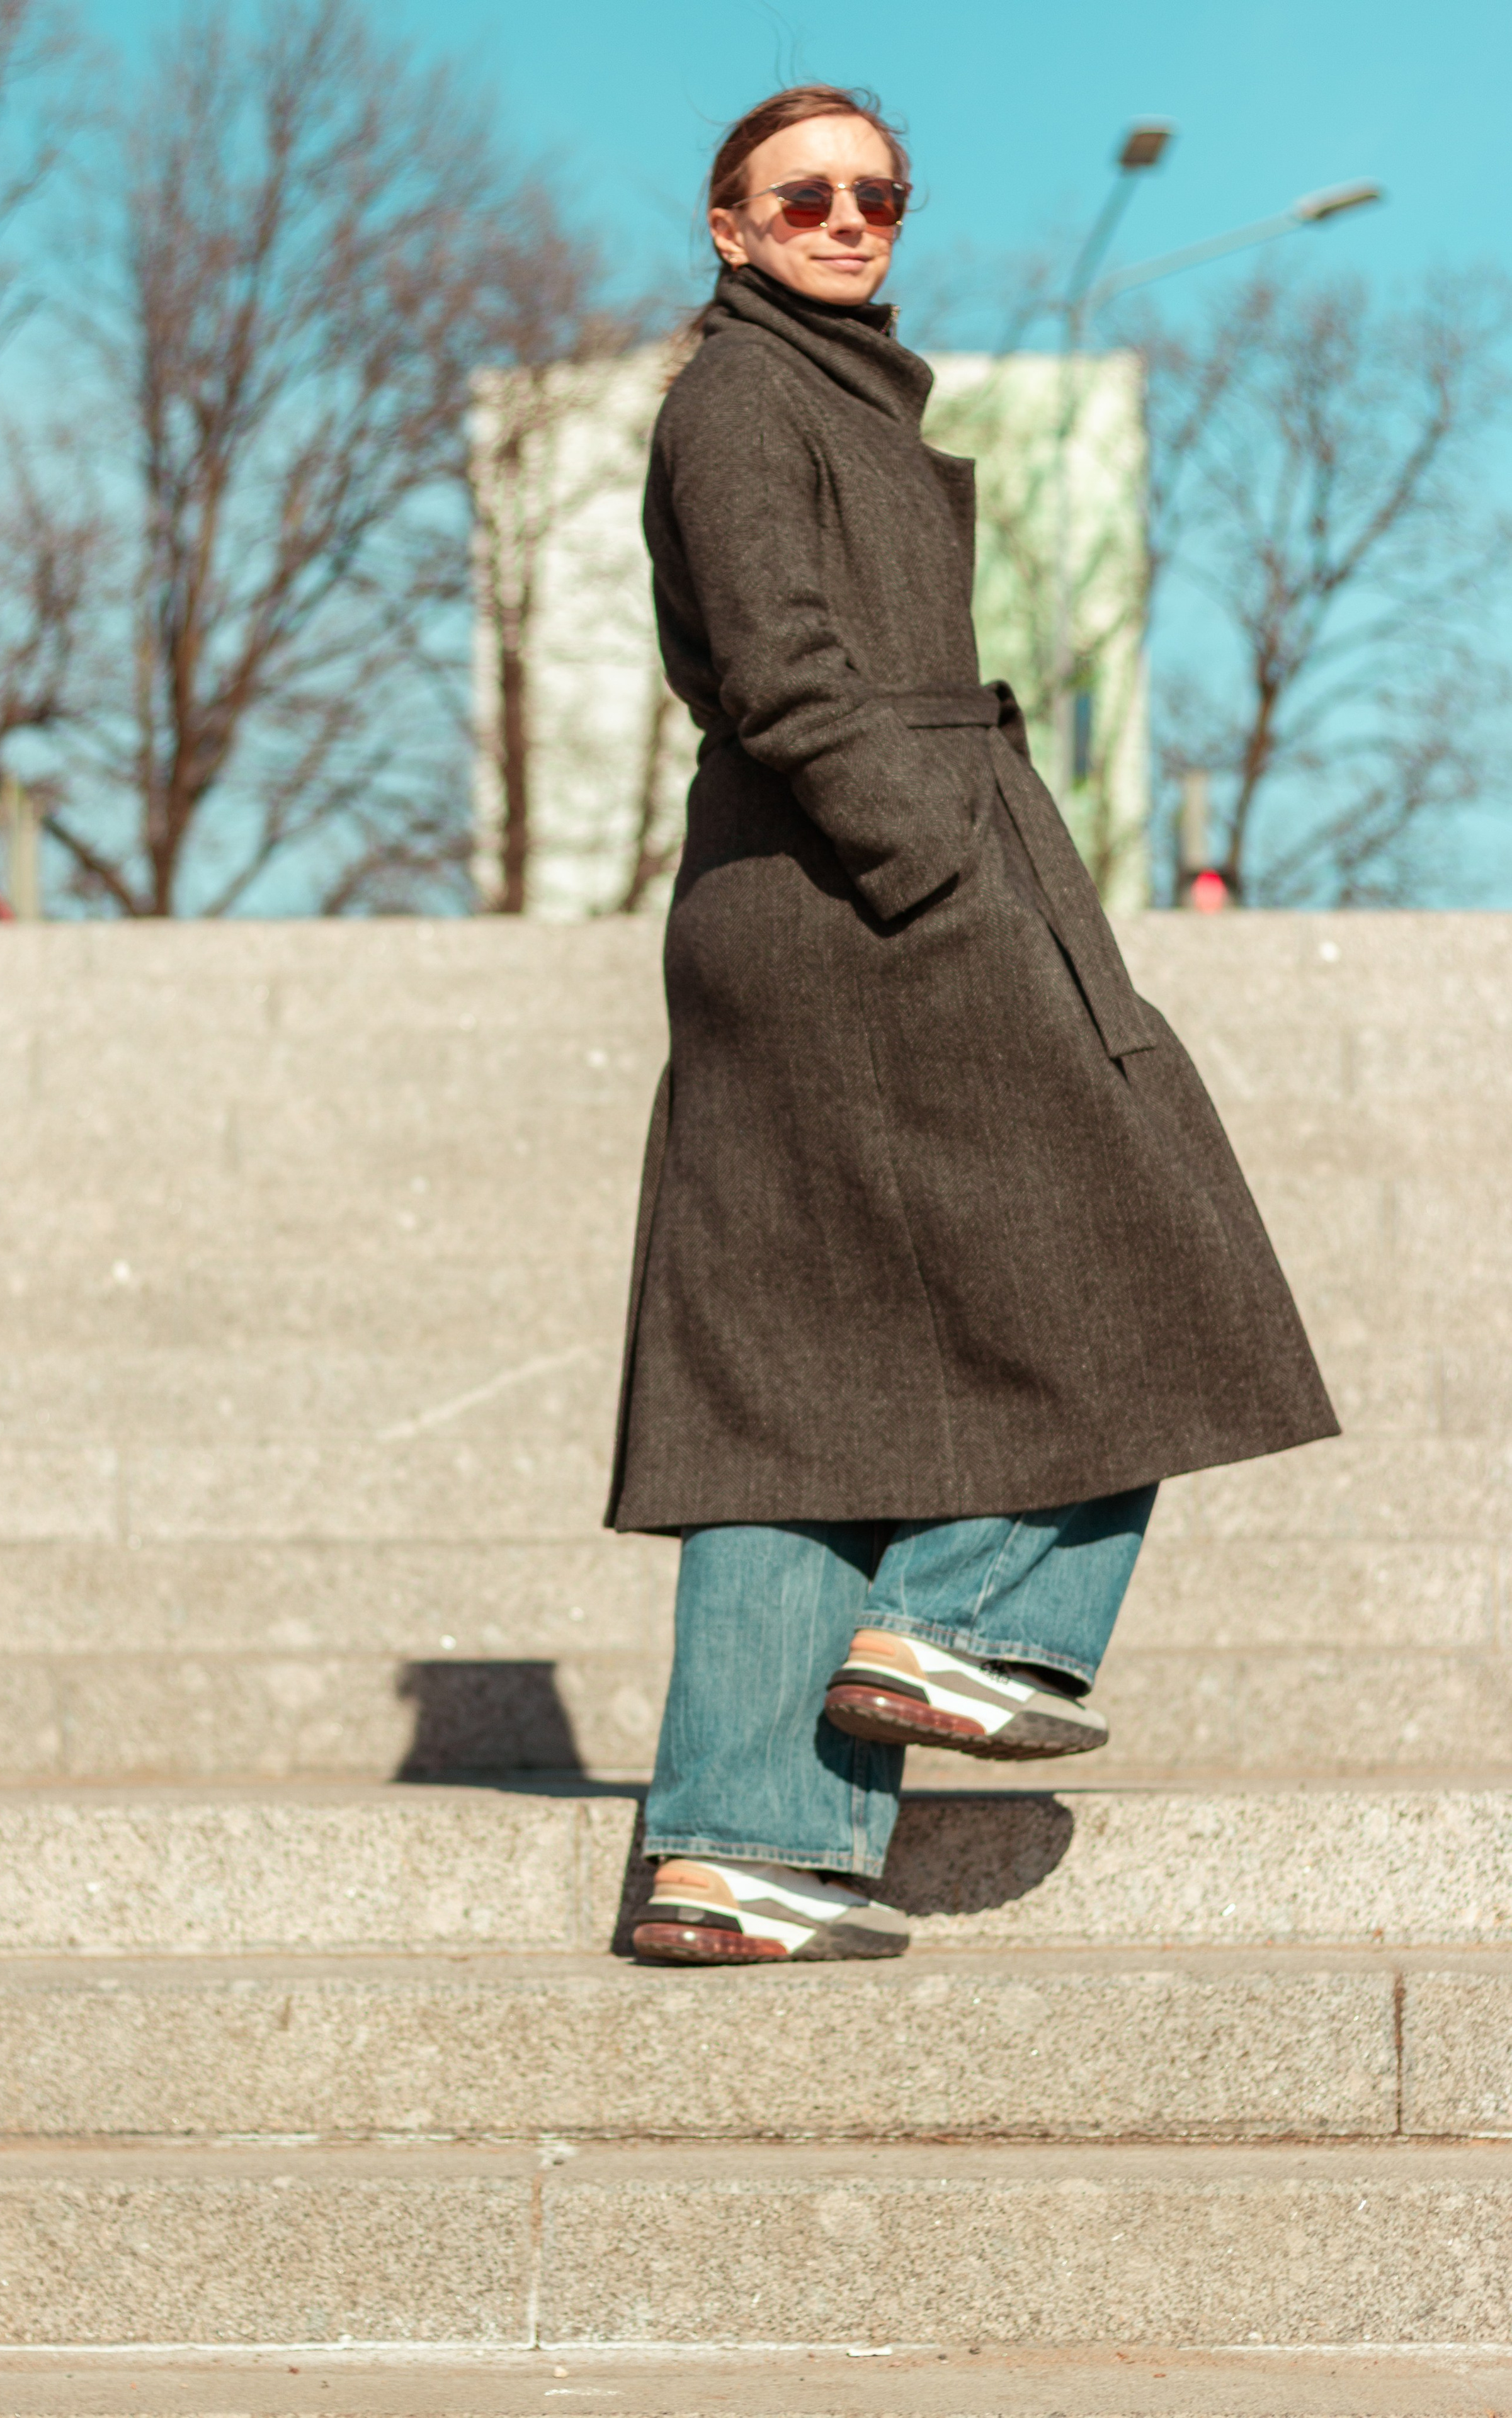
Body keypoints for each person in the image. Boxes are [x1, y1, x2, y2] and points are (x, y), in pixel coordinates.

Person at [605, 84, 1338, 1965]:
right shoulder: (742, 397)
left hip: (816, 895)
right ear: (729, 226)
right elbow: (781, 667)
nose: (850, 219)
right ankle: (971, 1617)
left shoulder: (815, 390)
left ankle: (743, 1842)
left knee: (793, 1386)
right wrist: (934, 856)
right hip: (868, 896)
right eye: (806, 197)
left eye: (880, 193)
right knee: (1150, 1243)